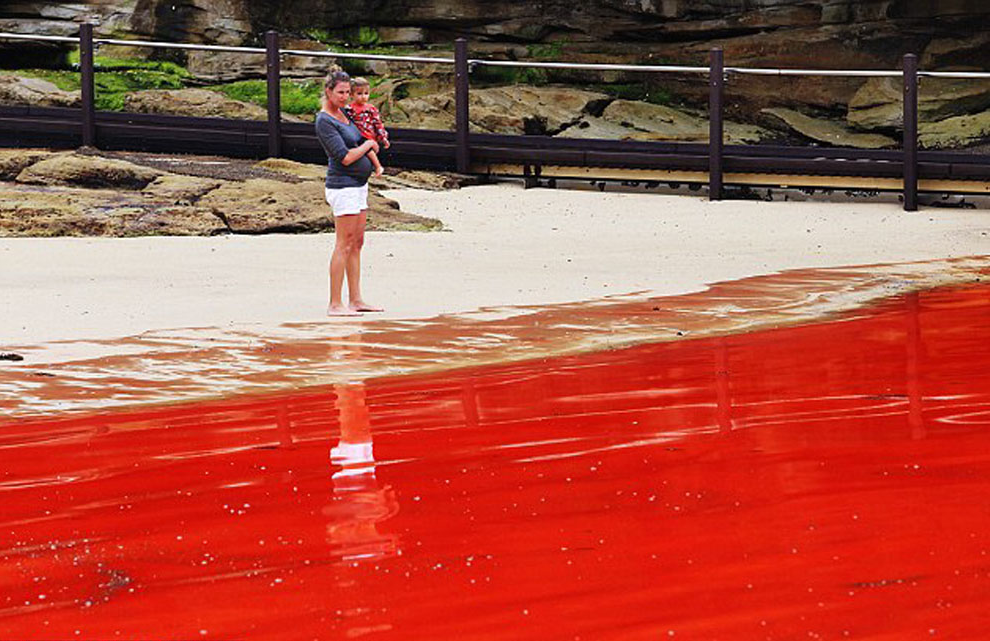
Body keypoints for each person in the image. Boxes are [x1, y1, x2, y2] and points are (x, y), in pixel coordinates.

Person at [315, 70, 383, 316]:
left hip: (358, 186)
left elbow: (358, 138)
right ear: (328, 92)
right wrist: (368, 145)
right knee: (343, 244)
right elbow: (344, 156)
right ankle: (335, 303)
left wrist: (374, 159)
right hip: (342, 187)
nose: (345, 97)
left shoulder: (343, 114)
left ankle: (356, 299)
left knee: (357, 243)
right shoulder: (324, 121)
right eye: (340, 92)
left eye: (347, 92)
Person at [345, 77, 390, 177]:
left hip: (367, 136)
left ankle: (378, 166)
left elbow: (378, 124)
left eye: (366, 93)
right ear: (351, 95)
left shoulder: (370, 109)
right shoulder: (349, 108)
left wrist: (383, 138)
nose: (363, 97)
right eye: (359, 94)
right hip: (354, 135)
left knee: (367, 150)